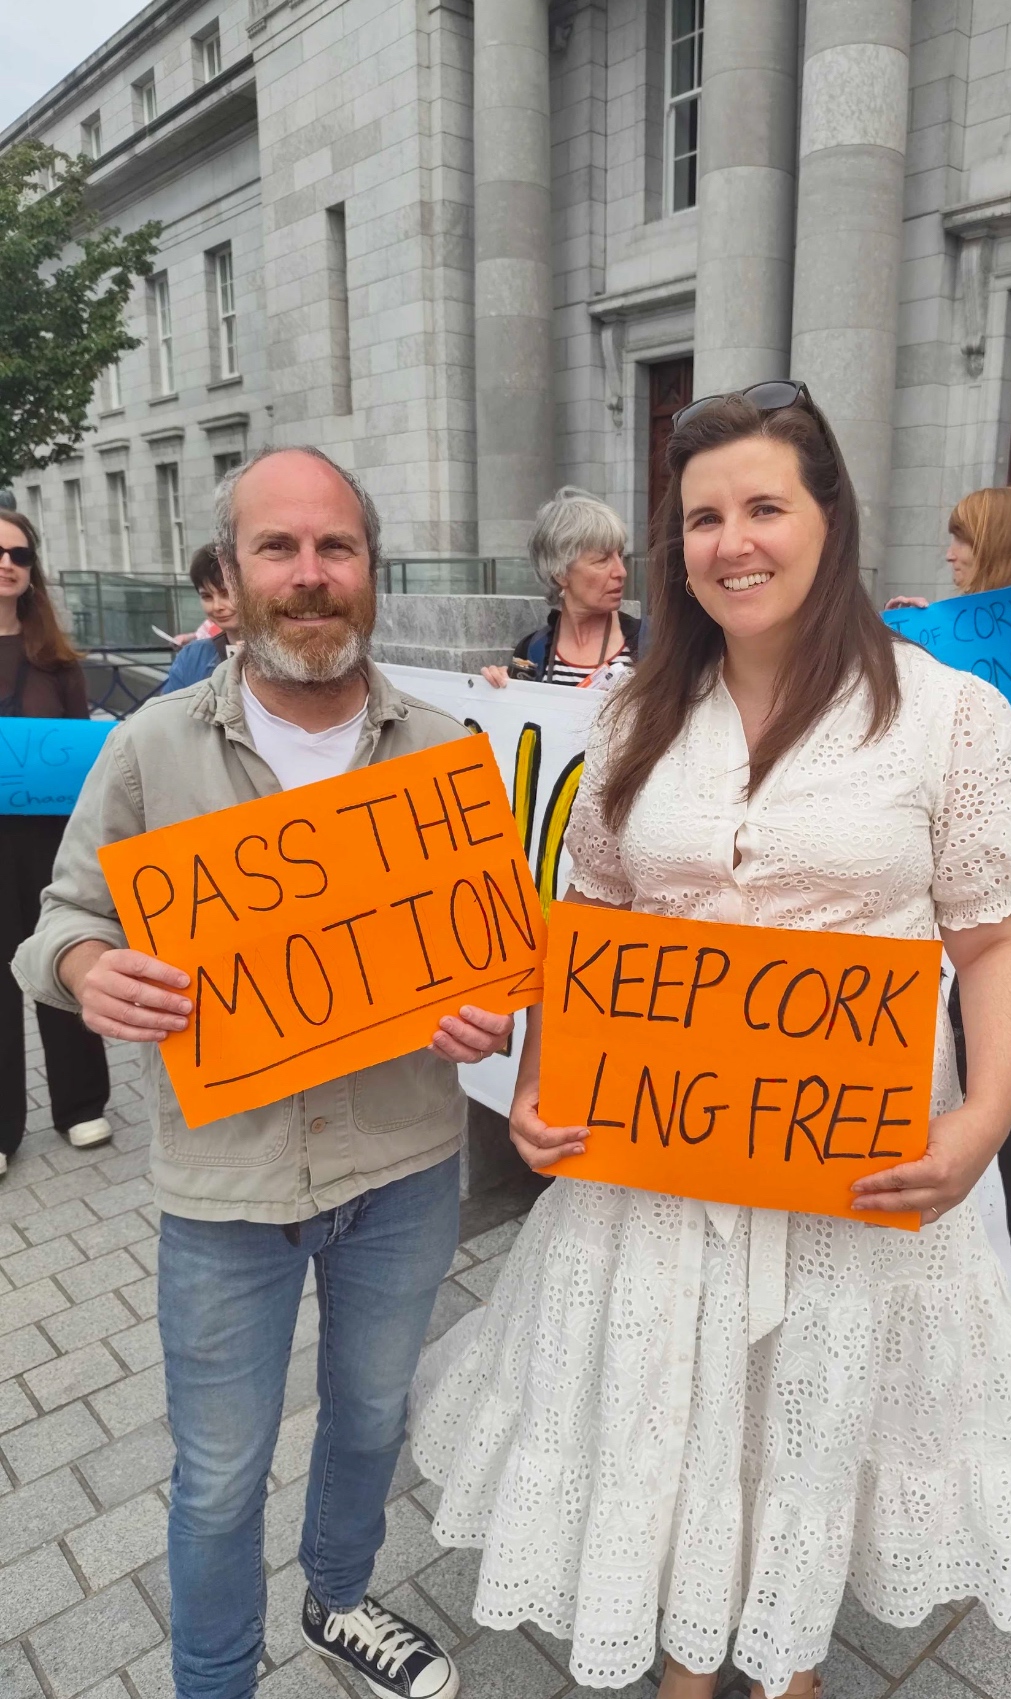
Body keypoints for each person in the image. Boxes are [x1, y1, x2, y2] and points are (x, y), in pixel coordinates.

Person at [411, 384, 1011, 1699]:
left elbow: (998, 936)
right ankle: (685, 1652)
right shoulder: (636, 715)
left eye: (764, 506)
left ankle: (786, 1659)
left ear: (829, 517)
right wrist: (542, 1079)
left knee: (810, 1416)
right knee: (671, 1408)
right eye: (703, 517)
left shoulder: (948, 714)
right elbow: (591, 921)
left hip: (853, 1168)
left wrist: (984, 1117)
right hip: (657, 1165)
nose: (733, 542)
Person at [13, 447, 515, 1699]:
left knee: (372, 1419)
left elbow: (497, 952)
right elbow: (59, 920)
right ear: (230, 578)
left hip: (403, 1167)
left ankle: (339, 1596)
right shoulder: (150, 746)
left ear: (371, 569)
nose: (310, 573)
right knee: (220, 1474)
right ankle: (216, 1678)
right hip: (226, 1188)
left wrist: (493, 1009)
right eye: (277, 548)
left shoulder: (447, 750)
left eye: (335, 546)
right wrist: (84, 971)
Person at [0, 510, 112, 1176]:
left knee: (62, 952)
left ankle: (80, 1103)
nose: (7, 563)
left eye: (19, 554)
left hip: (50, 837)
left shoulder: (59, 662)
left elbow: (81, 759)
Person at [480, 485, 641, 689]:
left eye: (620, 555)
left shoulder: (652, 644)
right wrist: (499, 690)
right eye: (602, 560)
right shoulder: (532, 652)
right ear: (560, 573)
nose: (621, 571)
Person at [886, 485, 1011, 626]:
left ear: (997, 545)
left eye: (962, 540)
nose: (949, 555)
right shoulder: (968, 616)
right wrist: (910, 634)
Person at [160, 543, 241, 693]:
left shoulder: (284, 653)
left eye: (227, 594)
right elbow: (167, 706)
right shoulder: (192, 657)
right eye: (207, 596)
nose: (217, 606)